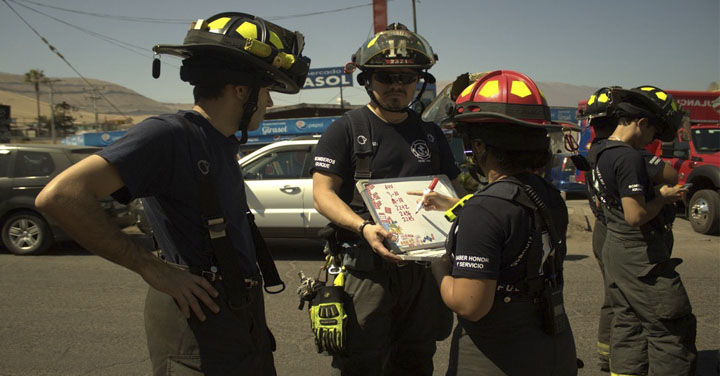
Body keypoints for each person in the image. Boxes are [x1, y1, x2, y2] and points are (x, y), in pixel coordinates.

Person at [35, 12, 310, 375]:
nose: (269, 104)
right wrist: (152, 269)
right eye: (266, 91)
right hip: (197, 331)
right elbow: (60, 196)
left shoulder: (220, 142)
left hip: (236, 320)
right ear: (241, 90)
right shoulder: (169, 135)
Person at [311, 23, 463, 375]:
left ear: (418, 82)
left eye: (407, 77)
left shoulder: (431, 133)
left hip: (424, 272)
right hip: (366, 270)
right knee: (361, 361)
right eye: (386, 77)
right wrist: (363, 227)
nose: (397, 85)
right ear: (368, 80)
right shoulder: (346, 129)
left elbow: (454, 193)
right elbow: (322, 195)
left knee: (417, 357)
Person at [424, 70, 578, 376]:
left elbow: (470, 304)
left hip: (497, 357)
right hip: (552, 348)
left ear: (480, 147)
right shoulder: (547, 195)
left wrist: (438, 266)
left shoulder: (484, 209)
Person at [592, 86, 697, 375]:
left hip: (615, 249)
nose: (652, 140)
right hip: (639, 254)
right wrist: (663, 197)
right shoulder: (628, 158)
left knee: (628, 323)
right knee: (670, 327)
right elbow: (635, 215)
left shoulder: (601, 149)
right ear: (641, 123)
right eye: (653, 133)